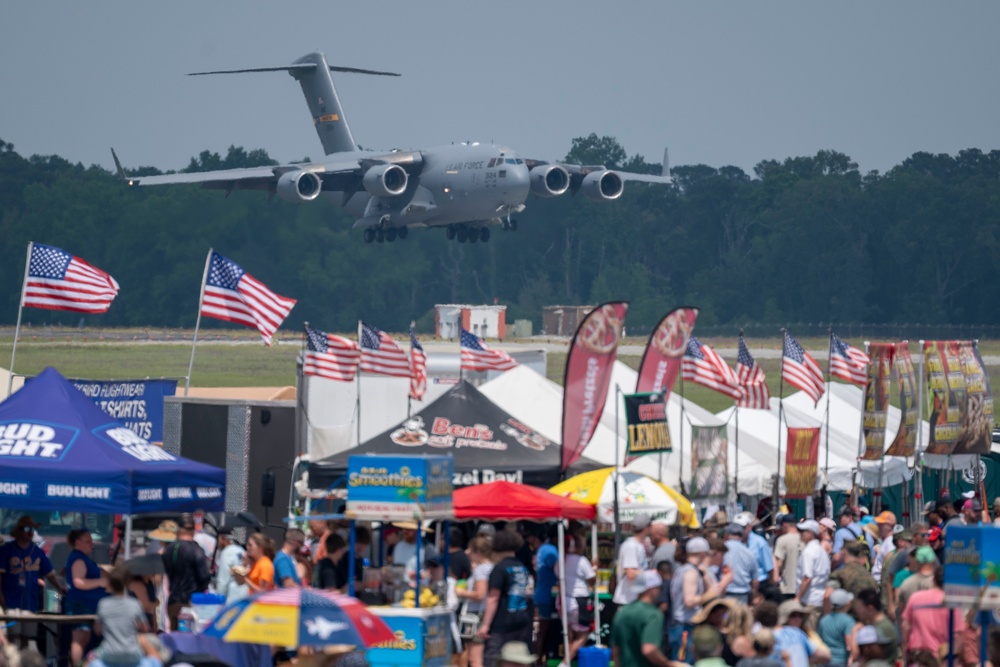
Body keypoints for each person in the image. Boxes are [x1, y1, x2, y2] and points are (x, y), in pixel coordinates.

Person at [0, 515, 65, 648]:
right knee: (13, 636)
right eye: (26, 528)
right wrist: (1, 598)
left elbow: (50, 574)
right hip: (11, 602)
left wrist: (60, 588)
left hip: (30, 603)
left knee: (26, 638)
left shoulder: (38, 552)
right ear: (18, 530)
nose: (30, 532)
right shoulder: (6, 550)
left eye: (32, 529)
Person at [476, 530, 532, 667]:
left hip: (502, 622)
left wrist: (485, 625)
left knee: (493, 658)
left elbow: (493, 598)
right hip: (522, 619)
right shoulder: (521, 567)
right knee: (518, 660)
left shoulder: (499, 569)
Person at [671, 536, 732, 662]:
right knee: (684, 663)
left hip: (683, 626)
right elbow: (689, 601)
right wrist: (709, 595)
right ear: (703, 553)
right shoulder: (691, 573)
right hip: (685, 627)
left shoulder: (684, 570)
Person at [611, 570, 684, 667]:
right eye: (659, 588)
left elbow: (615, 650)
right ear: (651, 589)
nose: (660, 592)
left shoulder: (621, 612)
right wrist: (668, 664)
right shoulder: (653, 615)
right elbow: (649, 649)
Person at [900, 566, 964, 664]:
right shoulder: (952, 603)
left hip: (917, 656)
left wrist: (905, 651)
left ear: (933, 579)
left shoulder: (915, 598)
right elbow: (957, 636)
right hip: (940, 658)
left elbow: (906, 627)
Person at [65, 528, 107, 666]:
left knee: (85, 638)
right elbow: (78, 582)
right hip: (80, 605)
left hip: (87, 605)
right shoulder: (78, 558)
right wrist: (100, 581)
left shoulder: (83, 558)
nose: (92, 544)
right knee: (79, 639)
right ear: (78, 542)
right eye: (88, 541)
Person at [93, 564, 150, 666]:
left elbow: (97, 630)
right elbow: (145, 628)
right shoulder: (135, 604)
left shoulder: (103, 604)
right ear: (127, 583)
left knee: (89, 660)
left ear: (110, 584)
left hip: (109, 653)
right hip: (132, 654)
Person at [161, 517, 211, 629]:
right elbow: (204, 577)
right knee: (189, 640)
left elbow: (166, 571)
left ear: (178, 531)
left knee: (175, 639)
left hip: (173, 601)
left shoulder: (169, 549)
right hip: (191, 603)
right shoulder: (196, 550)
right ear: (193, 531)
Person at [557, 533, 596, 667]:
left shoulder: (561, 559)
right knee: (583, 634)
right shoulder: (581, 560)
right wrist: (594, 569)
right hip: (578, 601)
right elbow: (592, 579)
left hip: (563, 601)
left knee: (569, 633)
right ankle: (565, 662)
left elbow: (557, 574)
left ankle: (567, 662)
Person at [457, 537, 493, 667]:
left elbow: (480, 594)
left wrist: (460, 592)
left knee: (474, 659)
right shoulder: (491, 567)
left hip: (475, 615)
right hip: (484, 613)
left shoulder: (481, 570)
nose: (466, 552)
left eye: (471, 550)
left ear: (478, 552)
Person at [525, 524, 558, 662]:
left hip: (541, 593)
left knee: (542, 630)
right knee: (544, 630)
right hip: (547, 595)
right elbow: (558, 569)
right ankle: (538, 660)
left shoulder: (541, 550)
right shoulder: (550, 550)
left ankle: (539, 659)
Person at [613, 514, 653, 608]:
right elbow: (630, 573)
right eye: (650, 526)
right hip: (627, 601)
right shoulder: (631, 546)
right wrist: (653, 575)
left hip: (634, 599)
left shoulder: (638, 545)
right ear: (646, 528)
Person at [852, 589, 899, 664]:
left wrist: (854, 632)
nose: (857, 611)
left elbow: (855, 654)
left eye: (859, 608)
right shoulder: (877, 625)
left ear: (870, 608)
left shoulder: (882, 628)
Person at [894, 546, 937, 620]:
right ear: (934, 561)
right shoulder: (940, 583)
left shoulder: (906, 583)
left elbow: (900, 611)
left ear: (916, 561)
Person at [723, 523, 760, 605]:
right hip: (743, 595)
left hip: (725, 593)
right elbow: (755, 580)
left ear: (726, 535)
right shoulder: (750, 553)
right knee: (741, 617)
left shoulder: (722, 550)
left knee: (725, 617)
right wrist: (753, 595)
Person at [794, 521, 828, 608]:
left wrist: (798, 598)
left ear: (811, 533)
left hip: (809, 600)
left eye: (803, 531)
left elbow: (807, 578)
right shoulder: (821, 550)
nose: (800, 533)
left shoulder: (808, 552)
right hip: (820, 599)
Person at [735, 512, 774, 589]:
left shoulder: (760, 543)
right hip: (742, 585)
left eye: (742, 528)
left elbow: (769, 568)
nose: (739, 531)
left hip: (760, 584)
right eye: (736, 528)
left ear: (749, 527)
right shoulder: (734, 543)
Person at [817, 588, 854, 667]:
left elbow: (819, 640)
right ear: (847, 603)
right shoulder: (848, 621)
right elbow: (850, 644)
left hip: (824, 661)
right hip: (841, 661)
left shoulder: (824, 620)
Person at [213, 526, 247, 603]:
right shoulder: (241, 550)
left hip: (231, 597)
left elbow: (223, 581)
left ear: (223, 538)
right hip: (244, 594)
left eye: (218, 539)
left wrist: (218, 601)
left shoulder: (227, 552)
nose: (218, 543)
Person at [772, 515, 801, 602]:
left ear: (784, 524)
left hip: (787, 587)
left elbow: (779, 564)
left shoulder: (782, 540)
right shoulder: (804, 539)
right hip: (802, 587)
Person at [870, 512, 897, 581]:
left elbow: (889, 563)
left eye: (881, 524)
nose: (878, 526)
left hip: (881, 581)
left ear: (889, 526)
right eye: (878, 524)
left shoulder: (890, 542)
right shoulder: (886, 541)